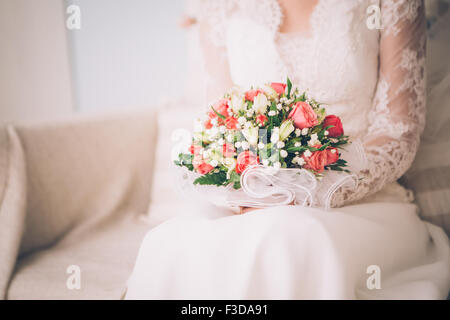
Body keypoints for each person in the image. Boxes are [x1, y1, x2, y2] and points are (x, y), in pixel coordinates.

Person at [125, 0, 450, 299]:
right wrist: (248, 188)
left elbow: (398, 130)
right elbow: (222, 121)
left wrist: (312, 189)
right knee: (167, 244)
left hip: (360, 196)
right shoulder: (219, 7)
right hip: (251, 199)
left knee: (282, 240)